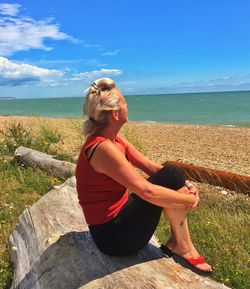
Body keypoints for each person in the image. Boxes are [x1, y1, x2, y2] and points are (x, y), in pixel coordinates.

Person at [75, 77, 212, 275]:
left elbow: (155, 169)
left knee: (173, 173)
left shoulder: (115, 139)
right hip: (113, 238)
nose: (128, 105)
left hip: (120, 219)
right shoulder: (102, 148)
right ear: (115, 113)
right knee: (171, 176)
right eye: (124, 101)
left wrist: (187, 185)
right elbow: (146, 191)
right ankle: (183, 246)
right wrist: (189, 200)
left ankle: (180, 244)